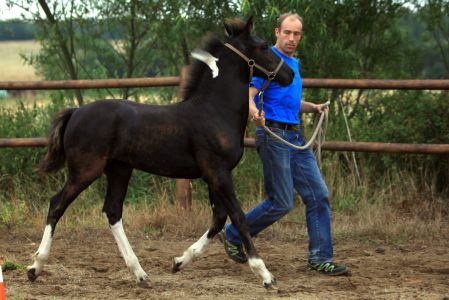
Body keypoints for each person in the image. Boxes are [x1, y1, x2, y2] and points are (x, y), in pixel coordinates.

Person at [220, 13, 348, 276]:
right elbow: (250, 94)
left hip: (295, 137)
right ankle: (233, 233)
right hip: (274, 135)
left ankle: (320, 258)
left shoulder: (294, 64)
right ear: (277, 32)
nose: (292, 38)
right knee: (280, 202)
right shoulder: (266, 60)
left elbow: (289, 100)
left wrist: (312, 107)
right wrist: (254, 112)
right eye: (287, 32)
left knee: (318, 195)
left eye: (297, 34)